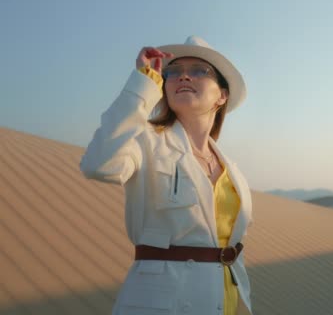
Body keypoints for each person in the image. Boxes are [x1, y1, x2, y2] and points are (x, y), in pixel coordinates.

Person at [80, 35, 254, 315]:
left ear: (222, 95)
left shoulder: (233, 172)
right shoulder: (144, 141)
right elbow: (99, 164)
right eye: (173, 72)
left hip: (224, 303)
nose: (184, 76)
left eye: (199, 70)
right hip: (160, 304)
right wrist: (143, 83)